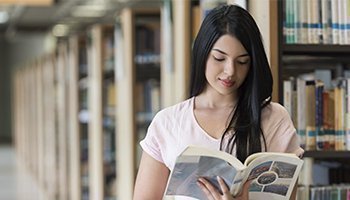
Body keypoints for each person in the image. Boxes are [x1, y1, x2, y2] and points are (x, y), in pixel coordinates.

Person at [133, 4, 304, 200]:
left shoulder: (274, 118)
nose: (230, 71)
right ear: (202, 54)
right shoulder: (168, 123)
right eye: (219, 58)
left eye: (242, 62)